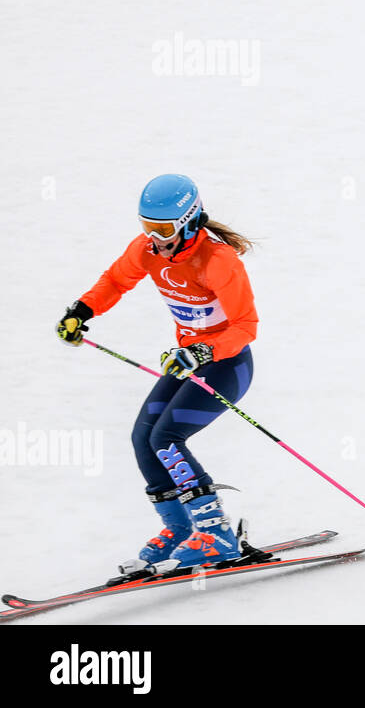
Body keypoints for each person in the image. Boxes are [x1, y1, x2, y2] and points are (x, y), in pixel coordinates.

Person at [57, 174, 257, 574]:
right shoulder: (147, 250)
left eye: (162, 229)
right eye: (146, 226)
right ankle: (181, 529)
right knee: (143, 438)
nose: (153, 238)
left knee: (166, 437)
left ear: (189, 221)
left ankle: (216, 534)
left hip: (227, 366)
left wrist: (203, 350)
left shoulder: (219, 261)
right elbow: (116, 280)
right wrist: (81, 311)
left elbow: (245, 326)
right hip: (187, 361)